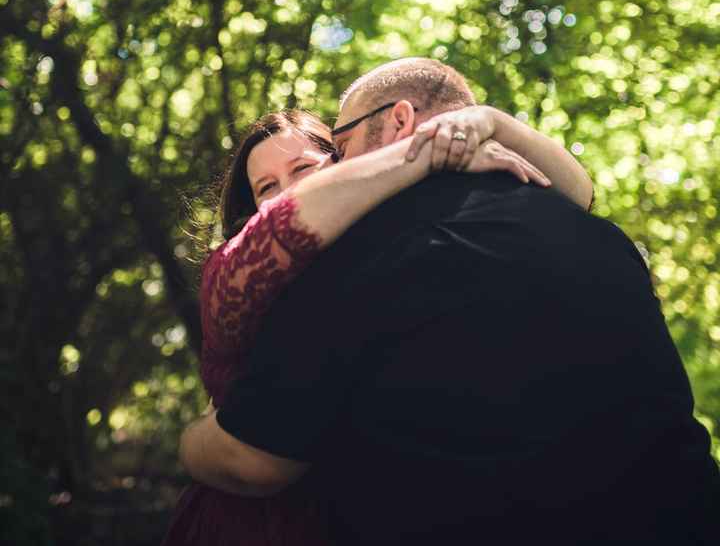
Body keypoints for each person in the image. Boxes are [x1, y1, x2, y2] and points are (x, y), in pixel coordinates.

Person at [180, 57, 720, 545]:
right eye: (266, 187)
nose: (310, 186)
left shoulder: (353, 262)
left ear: (399, 121)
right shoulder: (603, 237)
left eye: (335, 152)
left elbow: (255, 461)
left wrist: (189, 443)